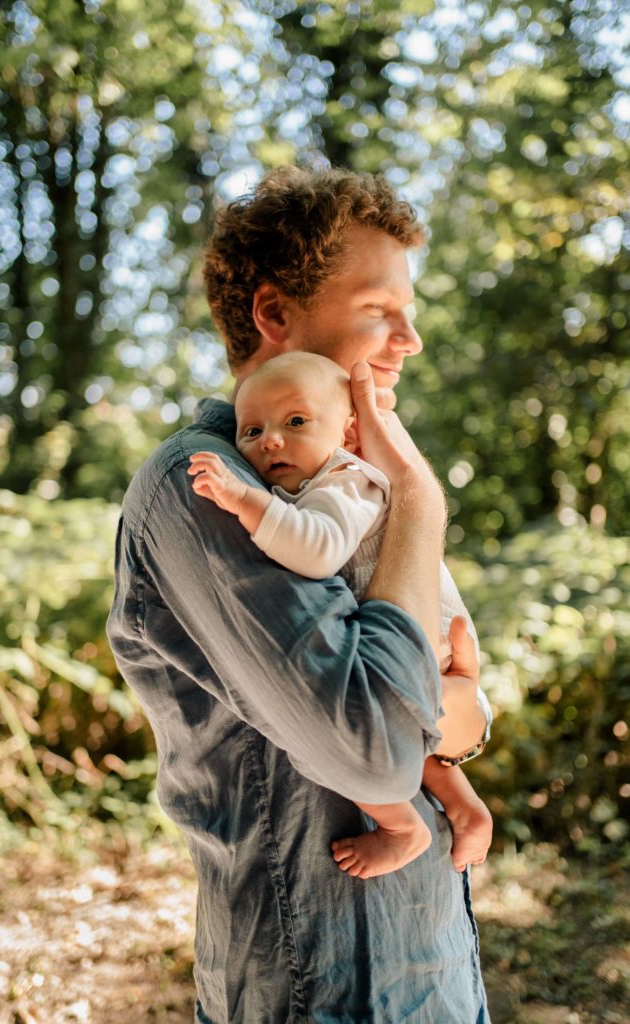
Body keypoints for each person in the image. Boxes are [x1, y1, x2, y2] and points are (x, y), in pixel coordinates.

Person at [108, 166, 492, 1022]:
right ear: (275, 315)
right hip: (315, 984)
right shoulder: (203, 485)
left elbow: (465, 706)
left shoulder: (346, 477)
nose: (409, 340)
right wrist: (422, 502)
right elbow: (376, 750)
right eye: (377, 310)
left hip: (432, 960)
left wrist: (451, 712)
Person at [187, 350, 493, 878]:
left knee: (356, 717)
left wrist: (243, 500)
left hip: (419, 651)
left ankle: (402, 827)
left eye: (296, 422)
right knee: (404, 736)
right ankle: (466, 809)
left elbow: (319, 549)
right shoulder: (313, 485)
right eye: (251, 431)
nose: (271, 441)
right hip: (423, 663)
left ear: (350, 436)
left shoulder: (346, 481)